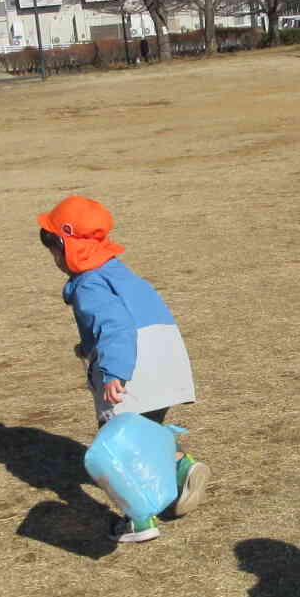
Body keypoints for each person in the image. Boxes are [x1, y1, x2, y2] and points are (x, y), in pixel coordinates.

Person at [37, 195, 206, 544]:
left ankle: (139, 520)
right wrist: (88, 349)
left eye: (51, 244)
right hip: (164, 357)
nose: (51, 255)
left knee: (117, 449)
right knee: (145, 434)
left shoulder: (88, 285)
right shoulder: (118, 272)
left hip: (131, 366)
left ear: (67, 245)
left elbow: (116, 326)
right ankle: (180, 466)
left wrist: (114, 371)